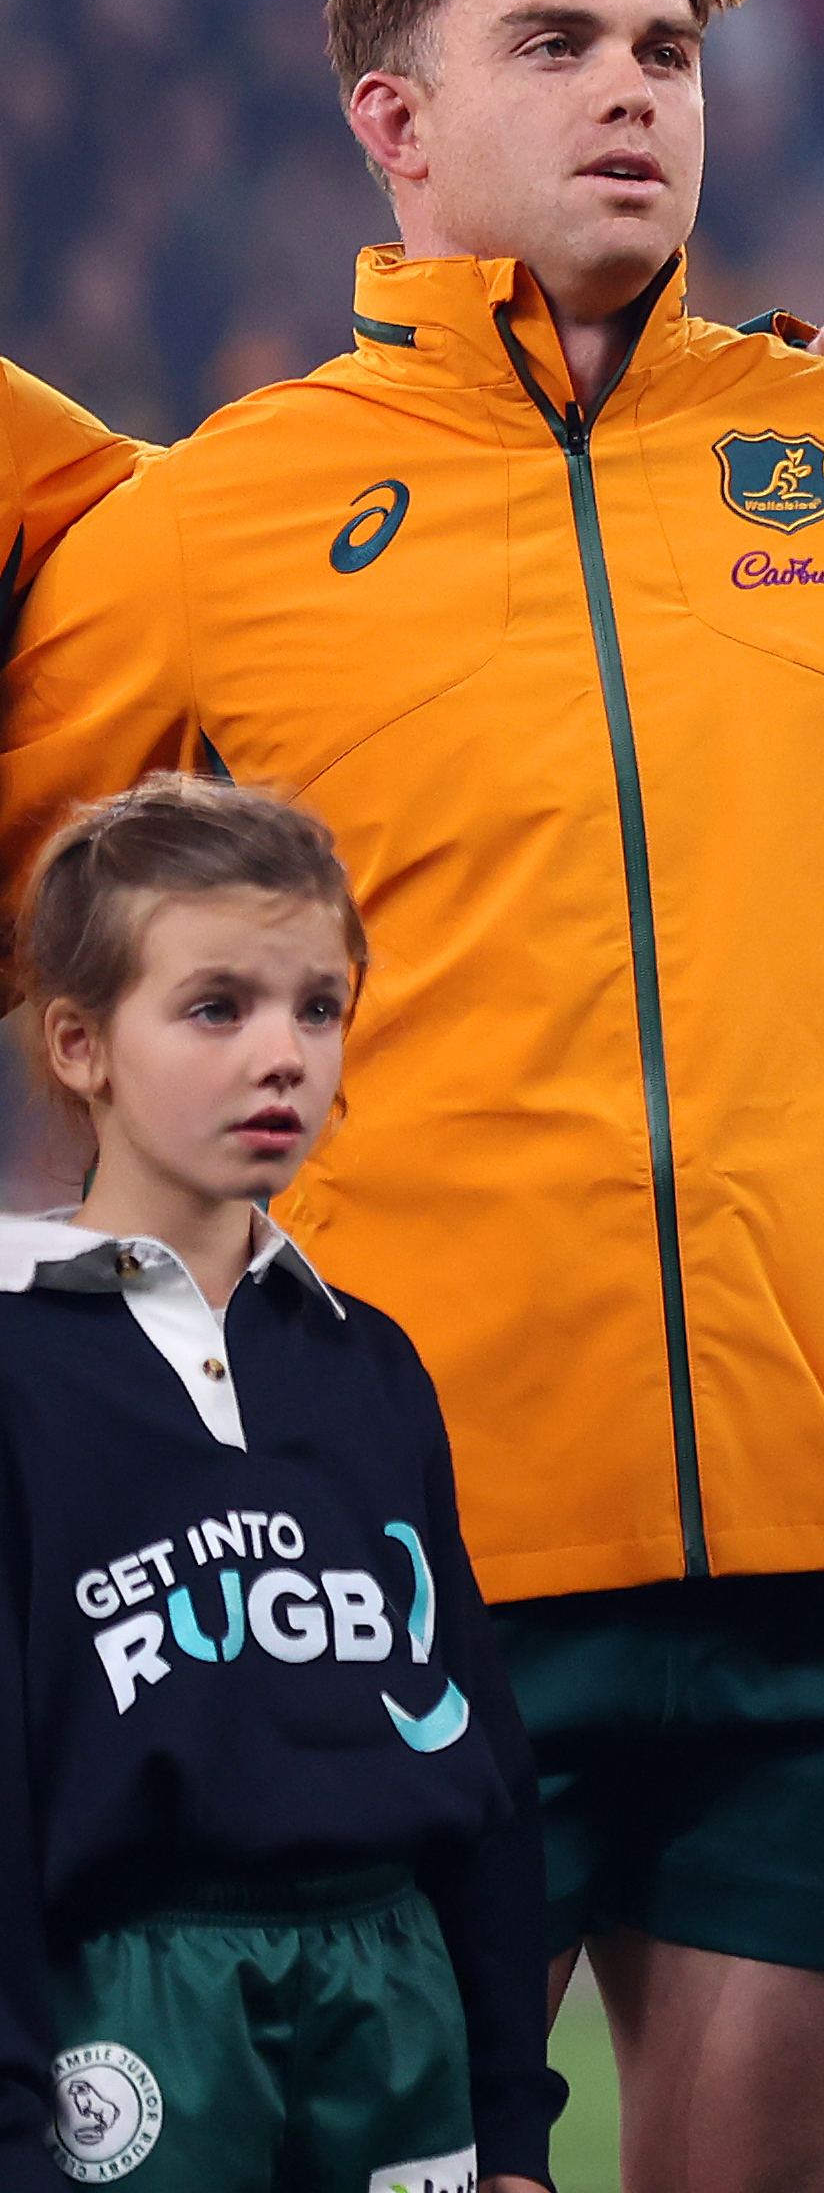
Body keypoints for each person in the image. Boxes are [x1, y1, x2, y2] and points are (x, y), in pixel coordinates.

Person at [0, 0, 824, 2193]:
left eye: (669, 50)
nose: (632, 95)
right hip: (387, 1539)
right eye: (555, 45)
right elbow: (34, 947)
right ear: (393, 123)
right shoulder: (204, 527)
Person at [0, 777, 550, 2191]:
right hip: (132, 2016)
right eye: (215, 1008)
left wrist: (511, 2127)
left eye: (317, 1007)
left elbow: (474, 1752)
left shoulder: (370, 1365)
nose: (283, 1056)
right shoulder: (18, 1363)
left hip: (394, 2003)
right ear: (80, 1045)